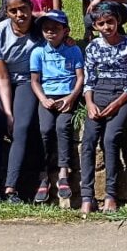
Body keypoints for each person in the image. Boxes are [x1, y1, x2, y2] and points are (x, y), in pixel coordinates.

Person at [0, 0, 43, 202]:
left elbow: (60, 34)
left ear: (31, 7)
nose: (19, 15)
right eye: (13, 11)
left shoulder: (41, 28)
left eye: (23, 9)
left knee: (21, 126)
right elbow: (2, 75)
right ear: (6, 13)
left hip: (27, 79)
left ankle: (11, 187)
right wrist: (7, 112)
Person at [81, 1, 127, 214]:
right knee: (88, 141)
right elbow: (89, 77)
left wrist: (118, 103)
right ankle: (87, 196)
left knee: (110, 139)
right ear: (95, 26)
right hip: (98, 93)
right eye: (101, 24)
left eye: (110, 22)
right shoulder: (93, 47)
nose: (107, 27)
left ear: (118, 21)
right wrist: (89, 103)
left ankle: (111, 195)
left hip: (121, 94)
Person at [29, 10, 84, 204]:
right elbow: (34, 81)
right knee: (45, 129)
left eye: (55, 28)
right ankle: (43, 175)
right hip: (47, 97)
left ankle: (63, 173)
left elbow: (80, 78)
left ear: (65, 31)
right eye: (46, 29)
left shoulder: (74, 50)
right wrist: (43, 99)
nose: (51, 32)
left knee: (63, 127)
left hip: (67, 97)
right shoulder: (38, 52)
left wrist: (71, 98)